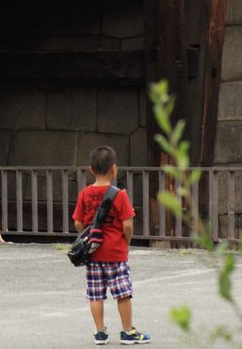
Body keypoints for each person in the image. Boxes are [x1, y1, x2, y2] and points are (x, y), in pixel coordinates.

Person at [73, 146, 147, 344]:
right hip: (115, 252)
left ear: (91, 169)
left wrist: (88, 236)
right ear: (115, 169)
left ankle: (100, 333)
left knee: (95, 294)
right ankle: (127, 331)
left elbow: (78, 222)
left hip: (93, 253)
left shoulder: (84, 194)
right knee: (123, 293)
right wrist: (127, 241)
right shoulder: (119, 195)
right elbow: (127, 224)